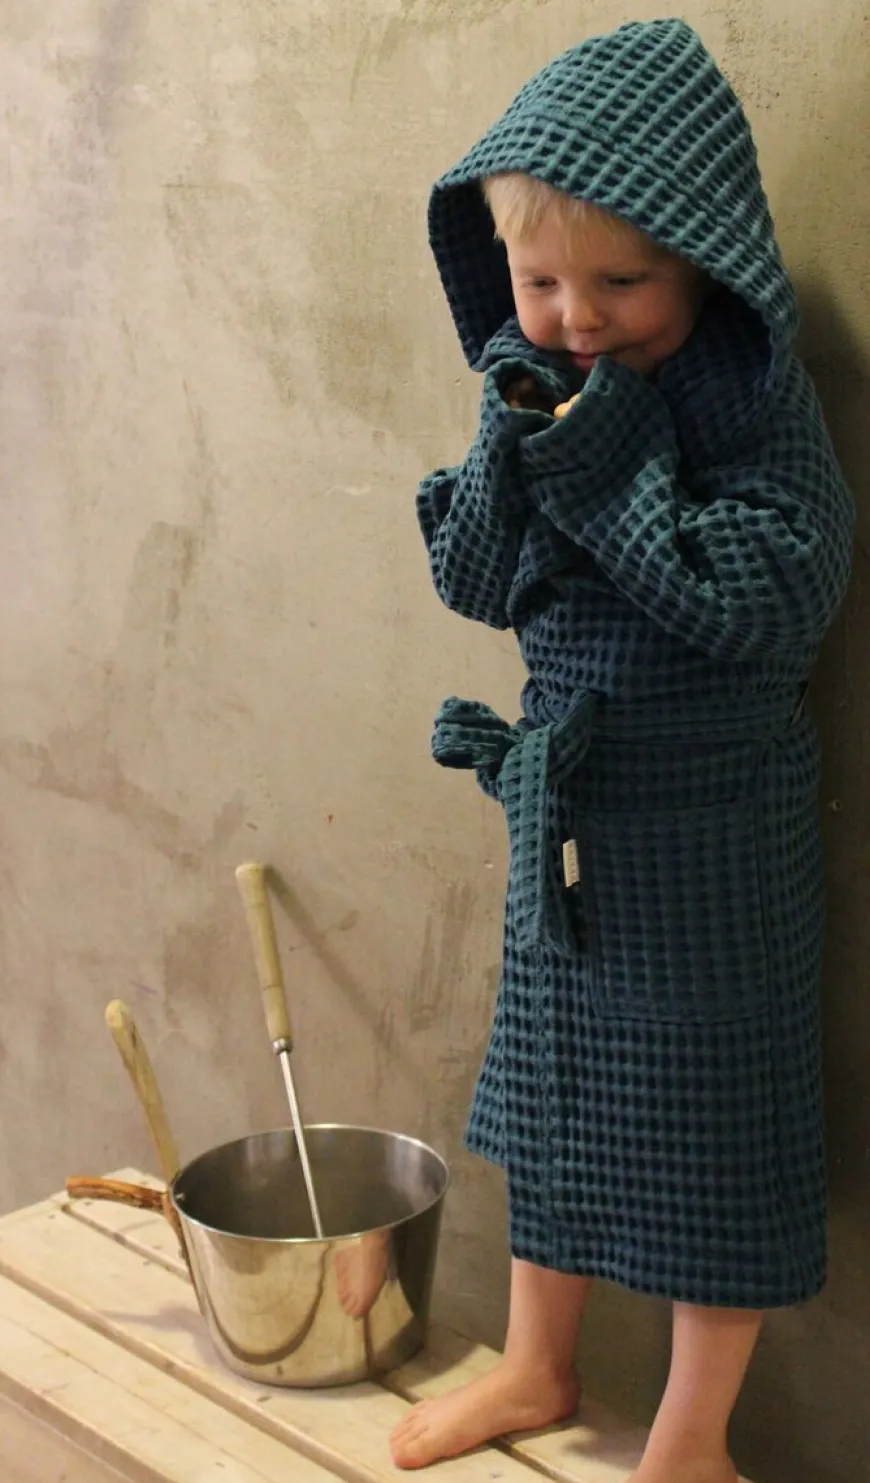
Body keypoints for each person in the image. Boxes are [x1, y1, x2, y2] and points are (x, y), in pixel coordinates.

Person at [389, 18, 854, 1483]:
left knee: (717, 1132)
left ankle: (690, 1436)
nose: (576, 318)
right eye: (539, 283)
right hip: (568, 807)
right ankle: (536, 1364)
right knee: (555, 1101)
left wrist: (599, 469)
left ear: (705, 258)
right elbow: (476, 583)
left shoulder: (753, 402)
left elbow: (768, 602)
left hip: (714, 824)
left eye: (620, 283)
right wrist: (505, 453)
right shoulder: (528, 375)